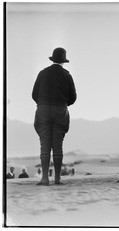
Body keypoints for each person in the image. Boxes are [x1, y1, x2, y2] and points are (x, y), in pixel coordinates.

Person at [32, 47, 77, 186]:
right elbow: (73, 98)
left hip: (43, 110)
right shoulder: (67, 75)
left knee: (44, 144)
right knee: (58, 145)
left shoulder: (42, 73)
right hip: (60, 111)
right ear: (63, 61)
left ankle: (45, 178)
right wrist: (63, 103)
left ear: (53, 59)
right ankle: (57, 178)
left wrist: (43, 103)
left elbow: (34, 94)